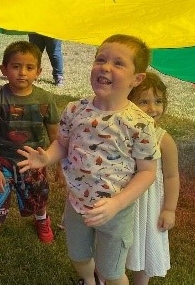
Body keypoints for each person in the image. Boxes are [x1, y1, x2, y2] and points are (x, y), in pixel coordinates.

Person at [17, 34, 160, 285]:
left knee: (112, 272)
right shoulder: (75, 109)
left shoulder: (140, 123)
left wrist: (117, 203)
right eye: (100, 59)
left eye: (118, 63)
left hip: (115, 212)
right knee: (79, 256)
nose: (105, 67)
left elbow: (147, 172)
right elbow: (62, 143)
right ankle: (88, 281)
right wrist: (47, 158)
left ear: (136, 79)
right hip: (76, 202)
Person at [0, 41, 60, 269]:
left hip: (35, 163)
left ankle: (42, 221)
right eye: (16, 66)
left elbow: (56, 136)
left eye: (29, 67)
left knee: (39, 197)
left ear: (39, 72)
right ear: (4, 70)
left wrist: (59, 166)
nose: (22, 72)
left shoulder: (45, 100)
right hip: (4, 163)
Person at [126, 72, 180, 284]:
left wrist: (169, 209)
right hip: (123, 200)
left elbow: (171, 176)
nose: (153, 108)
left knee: (146, 244)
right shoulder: (121, 131)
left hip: (149, 205)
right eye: (144, 101)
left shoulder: (163, 140)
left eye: (158, 101)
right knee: (115, 244)